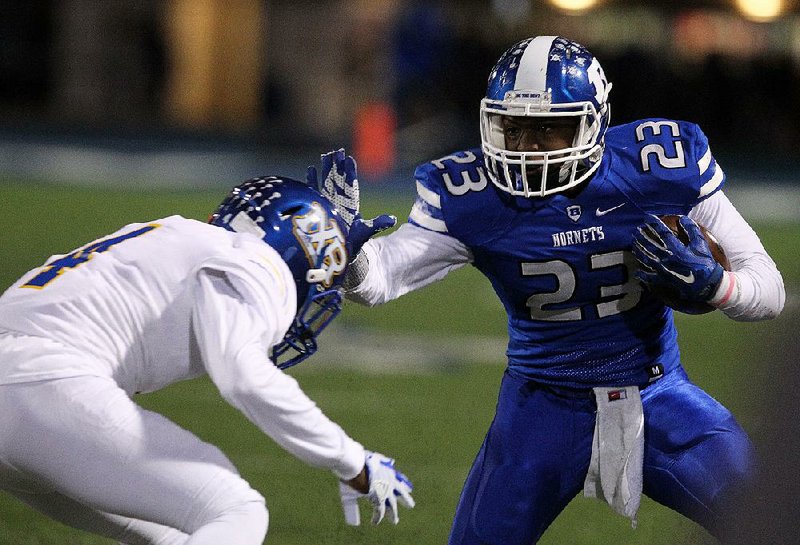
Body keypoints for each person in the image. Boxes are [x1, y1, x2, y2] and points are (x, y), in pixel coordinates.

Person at [311, 36, 785, 544]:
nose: (526, 148)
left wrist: (715, 285)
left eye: (548, 129)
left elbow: (769, 290)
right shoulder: (471, 196)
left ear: (592, 122)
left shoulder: (659, 164)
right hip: (543, 408)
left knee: (775, 523)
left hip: (660, 395)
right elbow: (378, 280)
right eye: (512, 128)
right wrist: (346, 250)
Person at [0, 175, 413, 545]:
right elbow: (243, 376)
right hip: (44, 384)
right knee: (236, 511)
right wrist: (350, 460)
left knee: (179, 534)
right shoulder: (254, 260)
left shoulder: (176, 234)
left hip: (25, 390)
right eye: (318, 272)